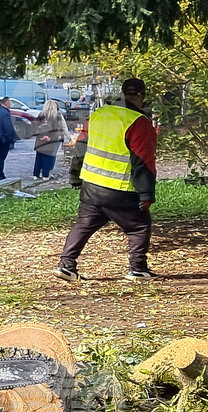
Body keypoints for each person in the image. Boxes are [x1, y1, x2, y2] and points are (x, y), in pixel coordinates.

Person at [56, 78, 157, 283]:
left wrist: (75, 176)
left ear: (121, 93)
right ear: (142, 96)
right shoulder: (138, 122)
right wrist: (146, 193)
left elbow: (80, 148)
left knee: (84, 225)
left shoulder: (98, 115)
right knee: (139, 227)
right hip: (120, 189)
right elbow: (143, 160)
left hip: (92, 186)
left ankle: (66, 265)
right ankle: (137, 268)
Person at [32, 99, 71, 179]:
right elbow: (64, 127)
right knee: (50, 156)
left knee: (39, 156)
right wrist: (70, 137)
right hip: (53, 139)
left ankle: (36, 174)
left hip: (40, 139)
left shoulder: (41, 115)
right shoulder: (57, 116)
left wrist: (40, 136)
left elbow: (35, 126)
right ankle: (46, 174)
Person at [0, 97, 18, 180]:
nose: (11, 104)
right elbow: (8, 128)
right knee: (1, 159)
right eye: (10, 102)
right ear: (7, 103)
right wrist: (12, 138)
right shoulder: (5, 113)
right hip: (2, 140)